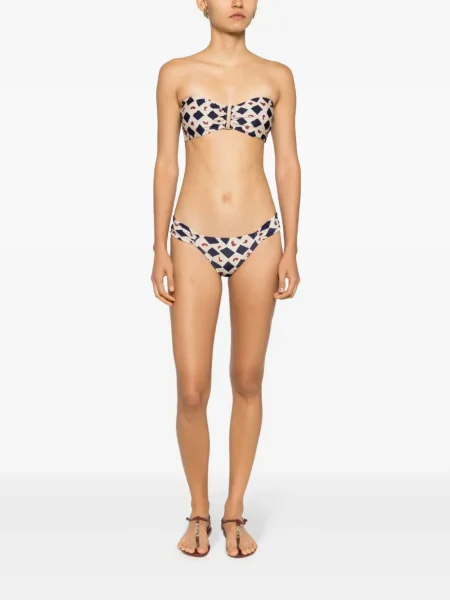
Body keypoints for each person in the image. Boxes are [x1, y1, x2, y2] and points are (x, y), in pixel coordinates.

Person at [151, 0, 301, 558]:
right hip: (191, 236)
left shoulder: (277, 76)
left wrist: (291, 247)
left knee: (247, 378)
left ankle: (234, 510)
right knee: (192, 387)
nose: (238, 1)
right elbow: (166, 162)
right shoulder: (176, 73)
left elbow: (287, 162)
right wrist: (159, 246)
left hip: (260, 237)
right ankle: (198, 510)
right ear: (201, 2)